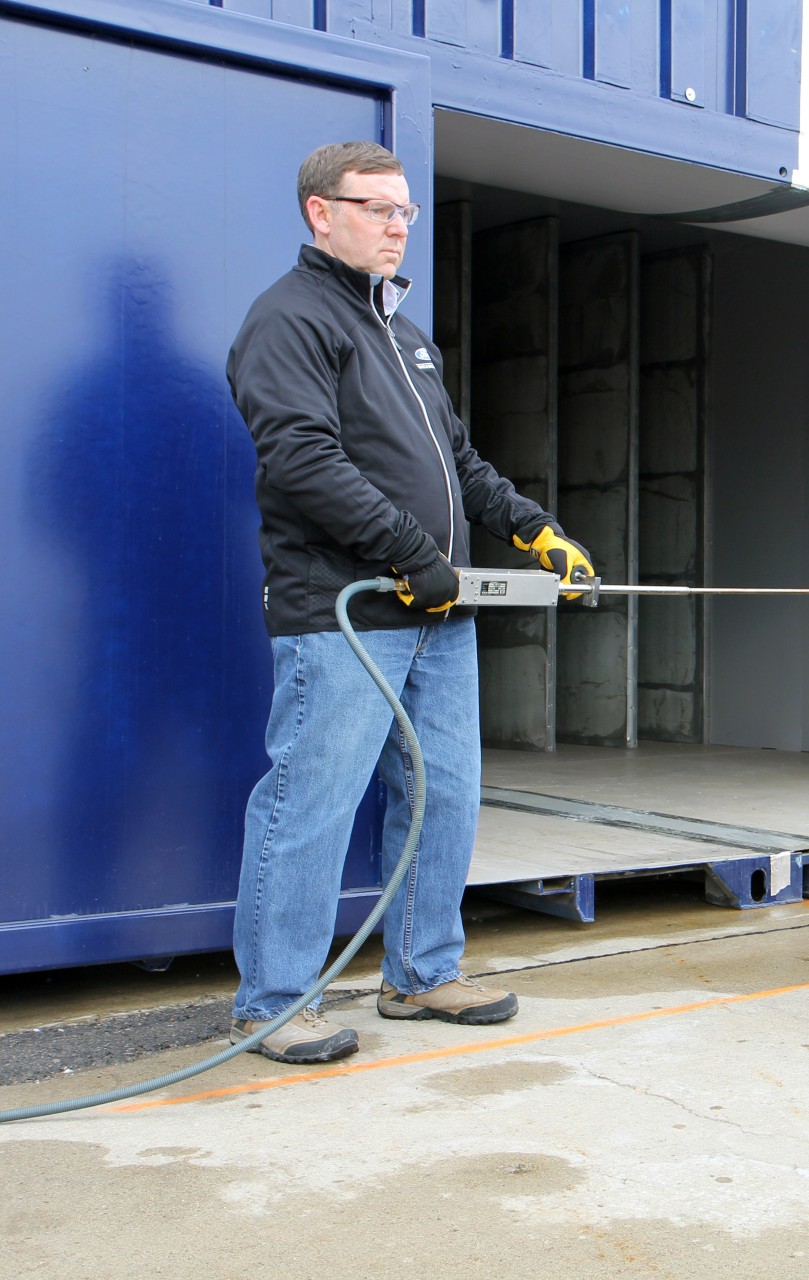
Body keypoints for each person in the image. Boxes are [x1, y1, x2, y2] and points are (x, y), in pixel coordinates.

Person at [223, 141, 592, 1064]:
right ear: (321, 212)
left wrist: (534, 528)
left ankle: (422, 976)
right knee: (308, 806)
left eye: (405, 211)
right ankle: (272, 1004)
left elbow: (459, 464)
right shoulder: (290, 320)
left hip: (439, 618)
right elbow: (302, 460)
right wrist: (407, 551)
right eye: (378, 208)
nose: (397, 226)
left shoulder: (405, 334)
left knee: (442, 800)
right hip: (344, 614)